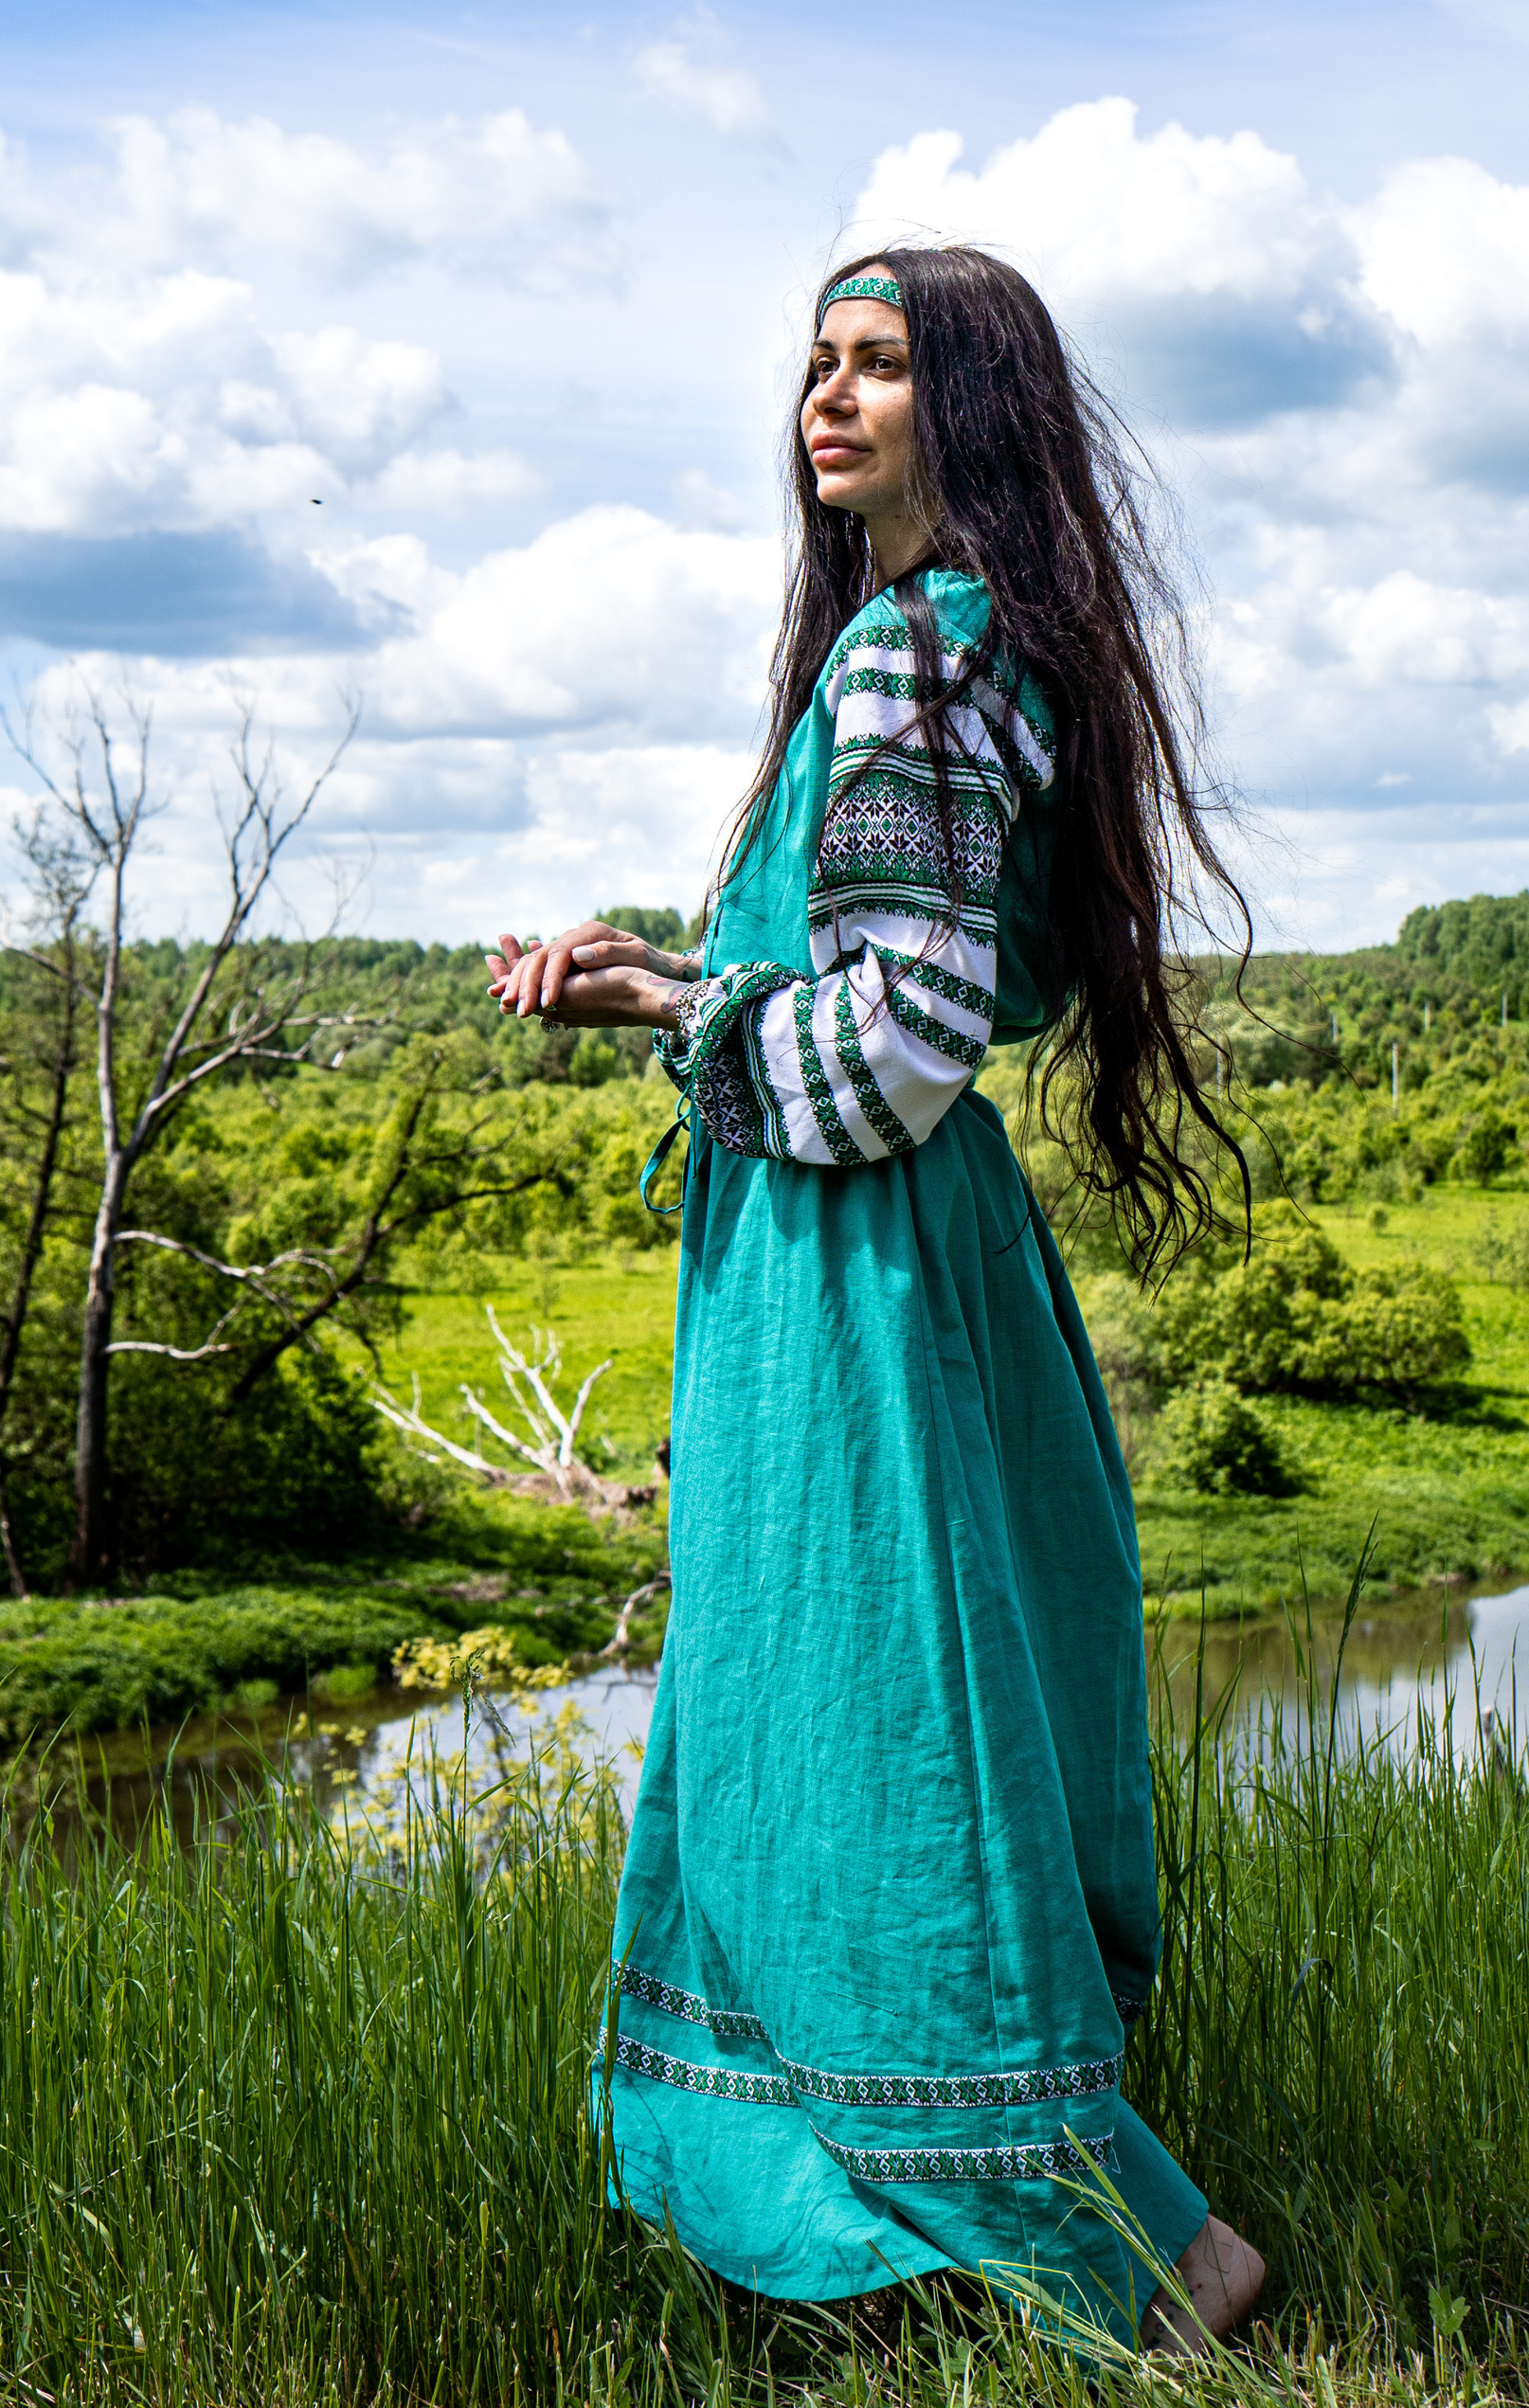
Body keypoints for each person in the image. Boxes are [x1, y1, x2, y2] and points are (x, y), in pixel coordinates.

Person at [488, 246, 1267, 2353]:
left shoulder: (914, 666)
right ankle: (1020, 2251)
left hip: (850, 1293)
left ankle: (1133, 2268)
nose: (826, 399)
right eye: (815, 363)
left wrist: (682, 1014)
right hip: (889, 1275)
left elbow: (884, 1054)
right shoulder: (942, 644)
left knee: (858, 1746)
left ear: (972, 404)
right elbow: (868, 998)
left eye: (882, 364)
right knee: (870, 1735)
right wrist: (670, 975)